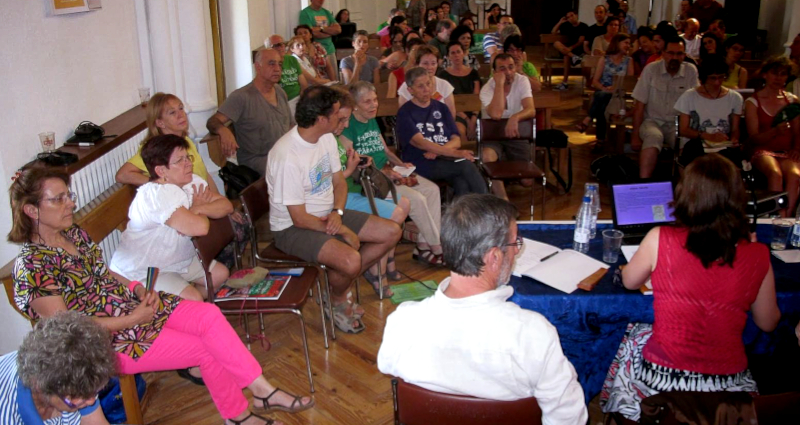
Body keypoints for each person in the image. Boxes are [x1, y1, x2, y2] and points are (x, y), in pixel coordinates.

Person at [9, 165, 314, 425]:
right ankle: (238, 415)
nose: (70, 204)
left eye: (69, 195)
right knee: (204, 350)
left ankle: (260, 390)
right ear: (31, 210)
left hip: (130, 308)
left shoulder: (74, 234)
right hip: (103, 343)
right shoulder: (32, 264)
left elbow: (103, 275)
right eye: (59, 199)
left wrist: (137, 288)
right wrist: (133, 317)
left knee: (209, 315)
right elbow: (68, 332)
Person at [378, 194, 587, 424]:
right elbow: (568, 419)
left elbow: (389, 367)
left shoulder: (403, 322)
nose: (516, 251)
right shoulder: (533, 333)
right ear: (494, 257)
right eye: (514, 243)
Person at [601, 153, 780, 422]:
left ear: (685, 194)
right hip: (727, 389)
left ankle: (619, 408)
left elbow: (629, 281)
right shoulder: (757, 254)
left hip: (661, 381)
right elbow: (768, 323)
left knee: (633, 333)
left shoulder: (660, 237)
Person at [266, 86, 402, 333]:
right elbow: (298, 218)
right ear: (321, 119)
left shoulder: (326, 138)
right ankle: (338, 299)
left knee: (391, 232)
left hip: (327, 213)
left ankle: (333, 289)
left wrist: (338, 215)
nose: (343, 119)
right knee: (351, 259)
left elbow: (338, 181)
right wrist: (342, 231)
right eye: (338, 114)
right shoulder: (287, 155)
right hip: (291, 228)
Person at [110, 135, 232, 301]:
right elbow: (200, 228)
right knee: (193, 299)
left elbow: (226, 205)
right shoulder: (156, 194)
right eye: (180, 160)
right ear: (161, 171)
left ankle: (179, 311)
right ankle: (175, 312)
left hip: (175, 259)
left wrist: (197, 209)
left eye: (187, 157)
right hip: (145, 269)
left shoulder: (189, 182)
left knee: (219, 275)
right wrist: (197, 209)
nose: (189, 163)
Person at [343, 81, 445, 266]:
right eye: (367, 102)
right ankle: (437, 247)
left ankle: (423, 245)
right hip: (373, 181)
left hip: (390, 172)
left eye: (375, 100)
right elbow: (355, 163)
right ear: (354, 106)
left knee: (432, 190)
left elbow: (386, 151)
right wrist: (387, 173)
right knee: (417, 200)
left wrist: (402, 165)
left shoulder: (372, 120)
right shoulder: (348, 127)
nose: (374, 105)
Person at [332, 90, 409, 295]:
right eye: (342, 120)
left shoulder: (336, 136)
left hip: (356, 189)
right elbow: (337, 179)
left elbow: (349, 160)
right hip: (344, 198)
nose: (346, 125)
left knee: (403, 204)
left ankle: (387, 259)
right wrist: (352, 167)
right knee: (395, 214)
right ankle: (377, 270)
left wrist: (359, 160)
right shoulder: (329, 140)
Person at [0, 312, 116, 424]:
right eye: (74, 399)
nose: (91, 401)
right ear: (39, 386)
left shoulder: (78, 379)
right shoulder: (8, 416)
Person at [396, 67, 487, 197]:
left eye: (428, 83)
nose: (426, 89)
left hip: (444, 157)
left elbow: (456, 139)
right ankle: (491, 207)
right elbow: (420, 143)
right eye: (420, 86)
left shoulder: (441, 108)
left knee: (461, 183)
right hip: (420, 162)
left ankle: (460, 216)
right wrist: (455, 153)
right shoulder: (405, 112)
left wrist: (439, 150)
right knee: (465, 166)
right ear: (410, 90)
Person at [206, 48, 294, 174]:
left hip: (282, 153)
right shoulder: (242, 96)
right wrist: (223, 130)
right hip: (257, 160)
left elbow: (290, 126)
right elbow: (212, 121)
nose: (277, 68)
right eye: (271, 63)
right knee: (291, 170)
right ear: (258, 67)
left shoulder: (280, 92)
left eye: (279, 64)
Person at [116, 92, 219, 195]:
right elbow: (122, 175)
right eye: (172, 113)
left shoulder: (184, 140)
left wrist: (218, 199)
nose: (181, 115)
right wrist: (157, 183)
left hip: (204, 198)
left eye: (181, 108)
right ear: (160, 123)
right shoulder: (156, 149)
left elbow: (204, 173)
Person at [632, 37, 699, 179]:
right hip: (652, 121)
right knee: (653, 137)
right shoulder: (651, 69)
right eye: (671, 53)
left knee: (687, 144)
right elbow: (639, 105)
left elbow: (696, 103)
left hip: (679, 124)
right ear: (663, 53)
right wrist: (635, 135)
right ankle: (644, 184)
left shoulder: (690, 71)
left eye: (679, 54)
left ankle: (687, 189)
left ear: (684, 55)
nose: (675, 57)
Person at [744, 56, 800, 217]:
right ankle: (775, 217)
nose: (779, 78)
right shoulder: (753, 102)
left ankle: (786, 219)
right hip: (763, 149)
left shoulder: (792, 100)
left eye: (783, 74)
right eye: (775, 73)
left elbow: (797, 131)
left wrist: (797, 148)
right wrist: (775, 131)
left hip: (786, 150)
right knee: (775, 174)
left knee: (795, 175)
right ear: (765, 75)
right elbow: (754, 138)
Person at [480, 53, 537, 200]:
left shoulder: (522, 80)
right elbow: (496, 114)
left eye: (511, 67)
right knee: (487, 156)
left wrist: (515, 117)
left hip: (515, 134)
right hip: (493, 136)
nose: (509, 72)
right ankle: (503, 201)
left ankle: (505, 163)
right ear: (495, 72)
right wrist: (499, 84)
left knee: (527, 181)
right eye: (503, 69)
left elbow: (531, 109)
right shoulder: (487, 89)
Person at [675, 55, 743, 167]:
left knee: (734, 159)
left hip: (723, 142)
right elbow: (683, 130)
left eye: (721, 77)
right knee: (693, 153)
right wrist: (706, 136)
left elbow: (735, 128)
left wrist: (734, 139)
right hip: (698, 142)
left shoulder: (735, 98)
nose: (717, 82)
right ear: (704, 77)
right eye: (713, 78)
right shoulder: (689, 96)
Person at [576, 34, 634, 149]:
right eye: (625, 43)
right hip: (603, 91)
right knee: (602, 99)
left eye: (629, 43)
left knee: (600, 99)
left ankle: (590, 124)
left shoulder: (628, 61)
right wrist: (605, 88)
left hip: (619, 93)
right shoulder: (605, 59)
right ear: (617, 43)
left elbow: (629, 81)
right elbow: (595, 81)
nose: (628, 46)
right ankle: (599, 138)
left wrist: (615, 88)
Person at [397, 45, 457, 119]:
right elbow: (404, 115)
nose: (430, 67)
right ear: (417, 64)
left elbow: (451, 114)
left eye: (433, 63)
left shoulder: (444, 85)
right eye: (425, 63)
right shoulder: (407, 86)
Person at [439, 41, 481, 143]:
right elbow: (447, 101)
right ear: (448, 56)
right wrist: (467, 119)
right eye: (452, 53)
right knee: (460, 130)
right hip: (455, 112)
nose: (456, 55)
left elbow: (476, 98)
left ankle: (480, 155)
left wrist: (473, 119)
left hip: (475, 112)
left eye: (458, 52)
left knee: (480, 128)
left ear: (463, 53)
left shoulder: (473, 73)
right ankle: (465, 157)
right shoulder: (443, 75)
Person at [266, 35, 309, 115]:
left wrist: (302, 100)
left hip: (299, 99)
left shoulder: (292, 59)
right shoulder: (268, 65)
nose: (282, 47)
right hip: (283, 103)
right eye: (277, 45)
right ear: (269, 49)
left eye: (283, 44)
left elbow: (304, 84)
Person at [298, 0, 341, 79]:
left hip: (330, 50)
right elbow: (312, 33)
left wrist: (321, 29)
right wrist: (330, 31)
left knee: (334, 78)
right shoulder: (305, 13)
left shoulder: (326, 12)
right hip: (315, 52)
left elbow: (338, 29)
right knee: (319, 77)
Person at [552, 10, 588, 90]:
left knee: (566, 56)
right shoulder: (566, 26)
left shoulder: (583, 26)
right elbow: (553, 32)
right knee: (556, 43)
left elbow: (580, 41)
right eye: (568, 17)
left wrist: (571, 48)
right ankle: (574, 57)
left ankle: (565, 82)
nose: (570, 18)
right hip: (568, 51)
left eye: (572, 15)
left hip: (578, 50)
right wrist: (560, 22)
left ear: (576, 15)